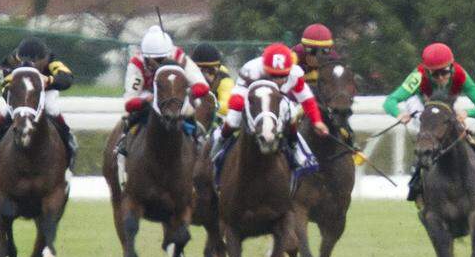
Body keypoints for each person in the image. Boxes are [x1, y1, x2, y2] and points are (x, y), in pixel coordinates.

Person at [383, 42, 475, 202]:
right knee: (429, 133)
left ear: (452, 67)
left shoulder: (460, 75)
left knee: (467, 138)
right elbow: (390, 101)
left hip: (448, 107)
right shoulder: (418, 76)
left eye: (444, 72)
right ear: (427, 71)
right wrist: (399, 114)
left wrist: (468, 113)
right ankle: (418, 179)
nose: (440, 78)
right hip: (422, 107)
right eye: (435, 74)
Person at [215, 43, 329, 173]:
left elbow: (307, 99)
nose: (278, 80)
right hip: (251, 98)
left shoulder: (294, 74)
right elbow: (238, 96)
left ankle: (294, 145)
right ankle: (220, 141)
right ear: (264, 69)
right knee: (233, 120)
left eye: (282, 76)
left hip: (277, 101)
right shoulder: (251, 70)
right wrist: (239, 104)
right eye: (273, 75)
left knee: (291, 111)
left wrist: (317, 121)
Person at [0, 37, 78, 170]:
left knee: (52, 109)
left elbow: (67, 77)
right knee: (5, 111)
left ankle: (68, 137)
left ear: (43, 58)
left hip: (45, 93)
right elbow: (6, 87)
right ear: (18, 57)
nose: (30, 64)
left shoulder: (51, 59)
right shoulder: (10, 61)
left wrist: (49, 80)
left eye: (35, 61)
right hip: (19, 95)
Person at [118, 25, 210, 154]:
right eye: (154, 61)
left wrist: (187, 93)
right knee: (130, 116)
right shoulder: (136, 64)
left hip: (176, 99)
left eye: (162, 60)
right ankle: (123, 145)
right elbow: (129, 103)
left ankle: (197, 139)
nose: (159, 65)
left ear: (169, 54)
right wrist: (146, 100)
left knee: (191, 108)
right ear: (145, 57)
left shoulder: (179, 58)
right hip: (148, 98)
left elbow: (202, 86)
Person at [190, 43, 234, 117]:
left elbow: (228, 105)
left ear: (218, 68)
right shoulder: (187, 78)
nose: (205, 75)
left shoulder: (225, 80)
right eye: (200, 70)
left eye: (211, 70)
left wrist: (210, 106)